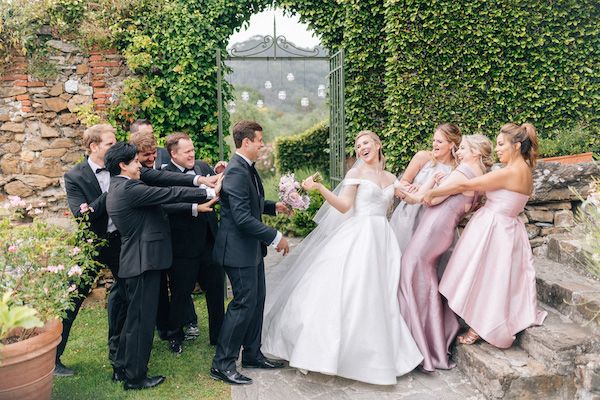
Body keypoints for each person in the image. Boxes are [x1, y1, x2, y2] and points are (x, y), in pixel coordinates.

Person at [262, 130, 423, 386]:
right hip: (359, 237)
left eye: (365, 143)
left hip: (383, 239)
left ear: (378, 144)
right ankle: (332, 353)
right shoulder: (355, 174)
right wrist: (319, 188)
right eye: (358, 146)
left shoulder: (391, 177)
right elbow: (344, 207)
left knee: (379, 295)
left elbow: (413, 198)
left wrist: (432, 184)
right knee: (352, 291)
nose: (361, 148)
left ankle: (376, 352)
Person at [62, 124, 208, 378]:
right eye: (110, 143)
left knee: (128, 302)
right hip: (95, 242)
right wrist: (114, 189)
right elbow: (83, 216)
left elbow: (163, 180)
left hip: (123, 241)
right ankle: (56, 355)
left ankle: (121, 359)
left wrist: (199, 179)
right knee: (75, 297)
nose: (115, 146)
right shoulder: (77, 176)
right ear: (94, 147)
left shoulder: (129, 174)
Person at [105, 141, 221, 390]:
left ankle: (125, 367)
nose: (141, 165)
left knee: (135, 321)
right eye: (136, 161)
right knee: (141, 324)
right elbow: (169, 194)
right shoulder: (129, 189)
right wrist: (210, 191)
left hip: (138, 262)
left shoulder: (121, 185)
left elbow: (163, 186)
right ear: (123, 165)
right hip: (142, 263)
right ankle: (136, 377)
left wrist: (199, 182)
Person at [423, 123, 548, 348]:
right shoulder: (525, 171)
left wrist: (434, 191)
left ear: (517, 146)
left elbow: (467, 184)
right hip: (509, 226)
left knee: (488, 278)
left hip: (495, 228)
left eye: (501, 144)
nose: (497, 149)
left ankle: (481, 325)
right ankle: (480, 318)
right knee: (495, 278)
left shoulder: (509, 172)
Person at [396, 134, 493, 372]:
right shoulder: (481, 178)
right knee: (425, 276)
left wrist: (418, 188)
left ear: (476, 153)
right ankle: (433, 339)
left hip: (433, 227)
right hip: (444, 229)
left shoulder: (463, 172)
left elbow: (428, 200)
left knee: (411, 270)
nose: (458, 153)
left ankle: (418, 342)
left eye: (463, 148)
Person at [210, 120, 290, 386]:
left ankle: (253, 353)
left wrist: (273, 206)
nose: (262, 145)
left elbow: (249, 202)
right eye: (259, 141)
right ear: (246, 142)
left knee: (256, 302)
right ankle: (222, 364)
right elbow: (242, 218)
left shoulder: (246, 169)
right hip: (236, 251)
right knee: (242, 304)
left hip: (249, 251)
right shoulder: (235, 171)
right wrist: (275, 236)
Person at [161, 132, 225, 353]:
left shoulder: (203, 166)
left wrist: (222, 175)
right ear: (173, 153)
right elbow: (172, 201)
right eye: (187, 151)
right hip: (183, 245)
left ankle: (219, 334)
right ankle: (175, 335)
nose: (192, 154)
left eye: (192, 150)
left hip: (209, 240)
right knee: (180, 292)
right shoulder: (164, 174)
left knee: (216, 289)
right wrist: (205, 192)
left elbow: (219, 193)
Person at [389, 123, 461, 252]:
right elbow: (403, 183)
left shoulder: (457, 169)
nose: (434, 144)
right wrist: (411, 187)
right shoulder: (423, 157)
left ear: (451, 144)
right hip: (409, 215)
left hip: (435, 220)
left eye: (439, 141)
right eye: (434, 140)